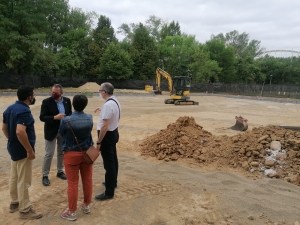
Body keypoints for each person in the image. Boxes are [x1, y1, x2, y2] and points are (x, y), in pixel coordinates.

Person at [2, 85, 43, 220]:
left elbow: (4, 128)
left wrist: (11, 141)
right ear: (29, 97)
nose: (34, 97)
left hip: (13, 147)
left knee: (14, 175)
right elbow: (20, 131)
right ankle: (25, 209)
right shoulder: (24, 111)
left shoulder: (10, 108)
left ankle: (15, 202)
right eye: (33, 94)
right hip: (22, 150)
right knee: (23, 179)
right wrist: (29, 150)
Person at [58, 94, 94, 221]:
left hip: (71, 154)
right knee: (87, 180)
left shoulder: (66, 120)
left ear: (73, 104)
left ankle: (72, 211)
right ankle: (86, 205)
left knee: (73, 183)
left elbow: (61, 133)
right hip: (87, 154)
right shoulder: (90, 118)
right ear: (85, 104)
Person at [40, 84, 72, 186]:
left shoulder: (67, 100)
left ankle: (60, 171)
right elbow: (42, 117)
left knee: (61, 152)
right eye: (52, 92)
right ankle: (45, 175)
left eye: (56, 93)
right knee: (49, 153)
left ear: (61, 93)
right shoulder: (46, 102)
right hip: (51, 131)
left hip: (63, 131)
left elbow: (70, 113)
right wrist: (54, 117)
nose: (53, 94)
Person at [94, 82, 121, 201]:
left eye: (100, 91)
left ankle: (109, 192)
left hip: (107, 136)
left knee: (109, 164)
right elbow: (111, 112)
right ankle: (113, 182)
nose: (99, 93)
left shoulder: (108, 106)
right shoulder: (114, 101)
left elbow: (104, 127)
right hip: (114, 133)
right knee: (113, 160)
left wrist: (99, 141)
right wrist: (102, 109)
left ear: (104, 92)